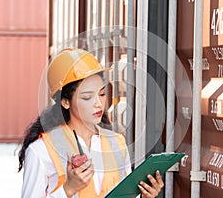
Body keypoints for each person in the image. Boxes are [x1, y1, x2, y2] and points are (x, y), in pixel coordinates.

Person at [18, 48, 164, 198]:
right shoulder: (41, 150)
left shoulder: (116, 143)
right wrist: (68, 189)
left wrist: (145, 196)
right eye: (87, 97)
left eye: (101, 94)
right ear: (65, 102)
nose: (99, 104)